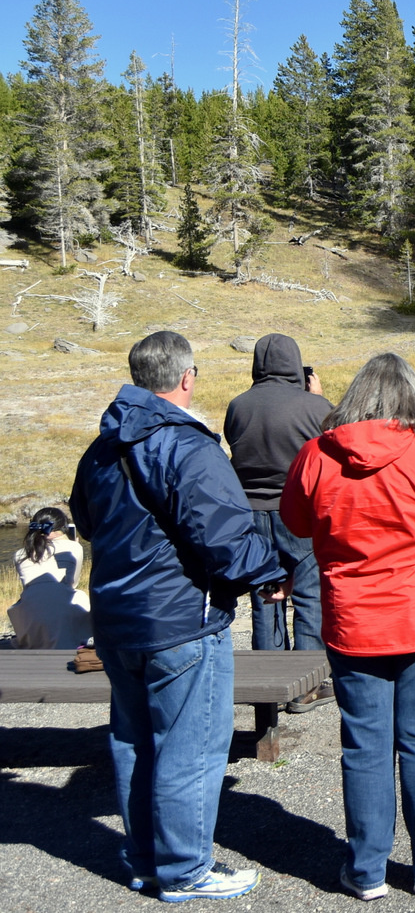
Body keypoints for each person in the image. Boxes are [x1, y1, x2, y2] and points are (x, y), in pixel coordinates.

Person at [69, 331, 281, 901]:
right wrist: (271, 569)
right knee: (191, 746)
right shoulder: (187, 445)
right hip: (182, 619)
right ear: (187, 378)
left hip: (117, 619)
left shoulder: (102, 445)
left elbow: (86, 522)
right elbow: (226, 539)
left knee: (135, 741)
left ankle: (147, 859)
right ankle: (186, 870)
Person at [281, 352, 415, 900]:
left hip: (354, 622)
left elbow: (295, 521)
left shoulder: (317, 454)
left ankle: (367, 869)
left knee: (365, 745)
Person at [223, 333, 336, 713]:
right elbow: (338, 441)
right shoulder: (313, 405)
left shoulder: (238, 406)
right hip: (298, 510)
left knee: (265, 593)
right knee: (307, 592)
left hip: (250, 513)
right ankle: (305, 686)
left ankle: (269, 684)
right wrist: (319, 395)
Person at [7, 506, 92, 649]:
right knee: (79, 598)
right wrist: (72, 543)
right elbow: (72, 584)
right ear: (62, 528)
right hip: (63, 607)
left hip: (30, 614)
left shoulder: (20, 554)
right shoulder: (74, 548)